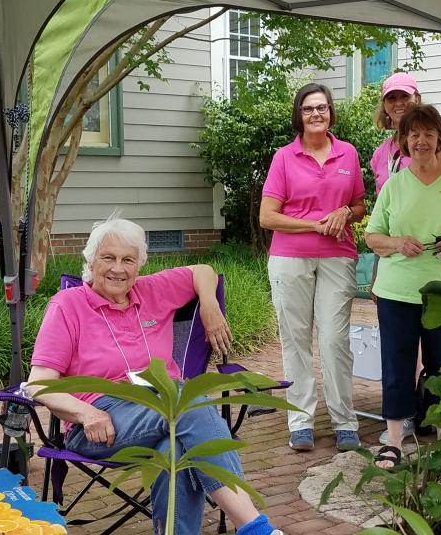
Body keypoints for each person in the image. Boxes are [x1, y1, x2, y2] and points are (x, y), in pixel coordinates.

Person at [27, 217, 282, 535]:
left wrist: (209, 305)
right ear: (91, 261)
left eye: (128, 260)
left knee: (174, 451)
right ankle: (255, 527)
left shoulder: (150, 290)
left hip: (163, 402)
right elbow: (40, 383)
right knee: (188, 407)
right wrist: (86, 413)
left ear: (138, 266)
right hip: (100, 420)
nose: (118, 268)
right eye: (108, 258)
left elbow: (202, 271)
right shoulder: (68, 305)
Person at [365, 104, 441, 468]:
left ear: (440, 138)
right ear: (404, 141)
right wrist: (398, 243)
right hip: (398, 291)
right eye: (413, 134)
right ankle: (395, 441)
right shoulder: (395, 185)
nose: (421, 141)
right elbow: (372, 236)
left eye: (428, 133)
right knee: (397, 364)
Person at [259, 83, 365, 452]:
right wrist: (314, 225)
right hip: (290, 258)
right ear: (299, 116)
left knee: (335, 340)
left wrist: (343, 212)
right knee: (296, 340)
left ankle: (344, 421)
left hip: (338, 257)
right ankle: (300, 421)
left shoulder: (347, 154)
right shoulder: (284, 157)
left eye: (322, 107)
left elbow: (359, 205)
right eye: (308, 109)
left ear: (331, 112)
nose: (316, 114)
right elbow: (267, 217)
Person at [370, 72, 441, 445]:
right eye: (391, 98)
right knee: (400, 349)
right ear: (385, 106)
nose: (398, 104)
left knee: (438, 352)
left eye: (404, 97)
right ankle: (401, 421)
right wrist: (384, 257)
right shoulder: (381, 153)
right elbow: (381, 215)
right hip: (394, 260)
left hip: (435, 265)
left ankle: (428, 415)